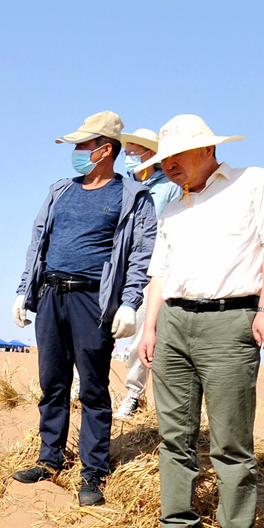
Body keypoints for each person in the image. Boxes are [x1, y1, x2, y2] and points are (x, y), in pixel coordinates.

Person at [137, 115, 264, 528]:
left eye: (177, 157)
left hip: (231, 321)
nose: (168, 166)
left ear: (208, 150)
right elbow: (159, 277)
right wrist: (150, 329)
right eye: (163, 159)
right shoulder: (170, 210)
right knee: (174, 437)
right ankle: (177, 527)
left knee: (230, 441)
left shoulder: (254, 183)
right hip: (173, 324)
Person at [10, 113, 156, 506]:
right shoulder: (60, 190)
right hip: (51, 294)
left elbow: (141, 252)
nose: (75, 153)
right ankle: (50, 458)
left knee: (92, 388)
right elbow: (37, 243)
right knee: (51, 382)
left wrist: (129, 302)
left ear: (104, 149)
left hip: (93, 300)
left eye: (81, 146)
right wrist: (25, 292)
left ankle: (93, 471)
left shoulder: (132, 197)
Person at [114, 127, 183, 419]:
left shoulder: (169, 187)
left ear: (151, 154)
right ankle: (82, 386)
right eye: (127, 151)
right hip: (116, 266)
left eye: (133, 152)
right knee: (98, 330)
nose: (128, 157)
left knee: (140, 333)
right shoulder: (119, 186)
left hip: (148, 270)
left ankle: (133, 394)